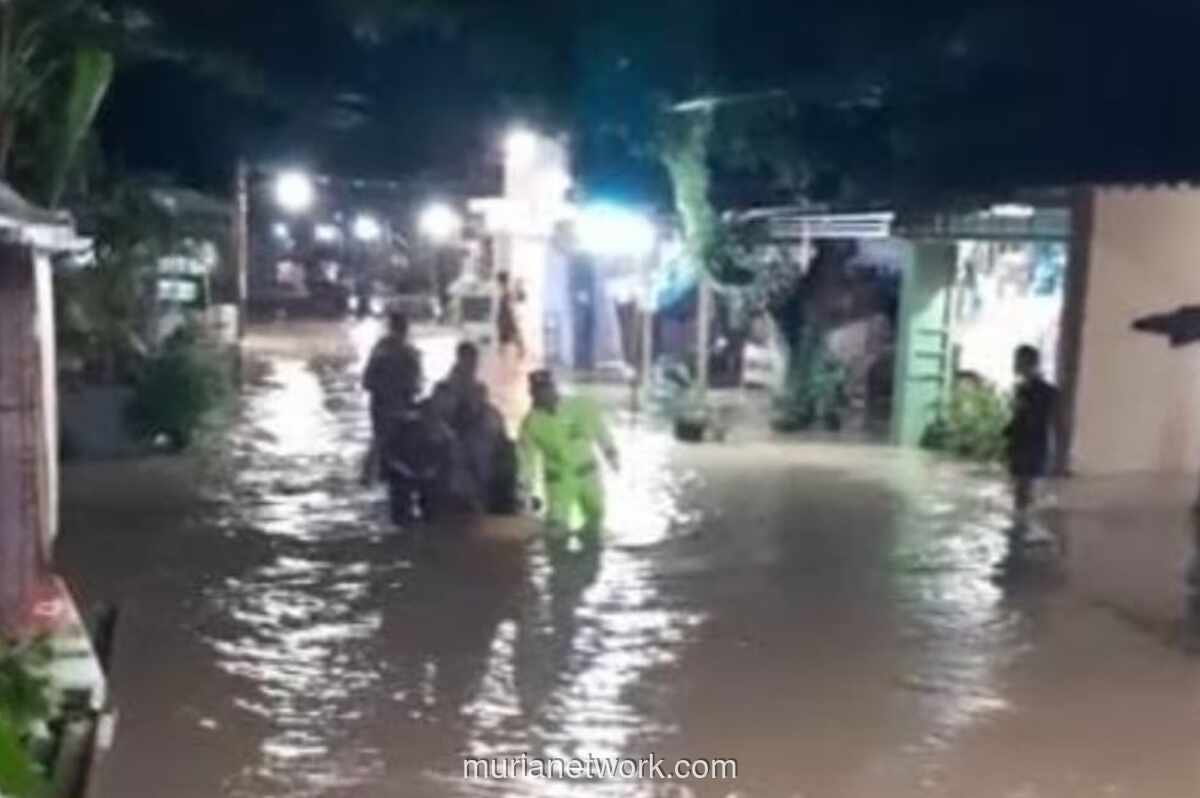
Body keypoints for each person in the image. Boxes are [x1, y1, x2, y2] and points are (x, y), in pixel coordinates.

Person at [518, 370, 619, 537]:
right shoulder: (531, 423)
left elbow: (601, 431)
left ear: (553, 388)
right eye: (536, 391)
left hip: (588, 476)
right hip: (558, 482)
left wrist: (611, 453)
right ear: (532, 393)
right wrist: (524, 487)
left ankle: (592, 555)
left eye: (544, 389)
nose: (541, 395)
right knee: (556, 527)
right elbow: (526, 458)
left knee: (596, 519)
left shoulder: (581, 406)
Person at [362, 311, 422, 484]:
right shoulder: (409, 353)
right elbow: (415, 386)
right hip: (397, 406)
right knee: (393, 445)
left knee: (380, 442)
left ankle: (371, 478)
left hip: (381, 405)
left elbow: (367, 381)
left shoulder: (380, 350)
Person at [1004, 345, 1059, 527]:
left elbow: (1047, 422)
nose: (1014, 365)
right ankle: (1020, 527)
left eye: (1018, 361)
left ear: (1030, 364)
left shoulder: (1046, 392)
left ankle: (1022, 529)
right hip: (1021, 445)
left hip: (1033, 446)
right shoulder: (1022, 389)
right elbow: (1019, 418)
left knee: (1025, 492)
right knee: (1021, 492)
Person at [496, 271, 525, 361]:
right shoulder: (504, 289)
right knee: (507, 337)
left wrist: (518, 287)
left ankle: (517, 352)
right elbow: (515, 298)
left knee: (508, 337)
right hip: (505, 317)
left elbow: (517, 298)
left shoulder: (505, 289)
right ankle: (503, 356)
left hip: (505, 317)